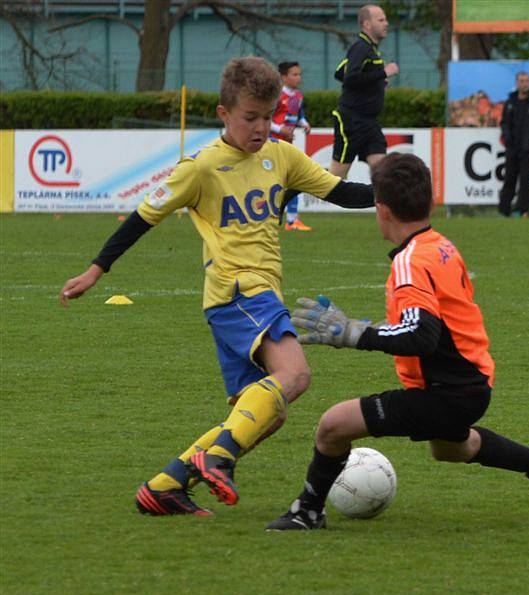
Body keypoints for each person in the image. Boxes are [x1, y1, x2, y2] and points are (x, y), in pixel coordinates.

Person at [59, 56, 374, 517]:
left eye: (268, 116)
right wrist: (95, 270)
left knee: (267, 415)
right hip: (238, 292)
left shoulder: (281, 156)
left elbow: (340, 192)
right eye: (250, 117)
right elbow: (144, 218)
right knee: (296, 375)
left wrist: (391, 190)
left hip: (248, 299)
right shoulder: (202, 166)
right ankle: (219, 456)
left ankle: (165, 486)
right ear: (224, 114)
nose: (261, 127)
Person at [266, 153, 529, 531]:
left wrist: (354, 334)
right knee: (451, 448)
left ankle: (307, 511)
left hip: (445, 392)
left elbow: (420, 335)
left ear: (381, 209)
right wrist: (366, 327)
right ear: (430, 202)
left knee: (332, 426)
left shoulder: (410, 262)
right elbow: (434, 325)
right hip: (470, 382)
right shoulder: (440, 244)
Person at [330, 4, 399, 179]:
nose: (386, 23)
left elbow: (340, 73)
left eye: (386, 19)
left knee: (383, 175)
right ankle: (293, 189)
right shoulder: (360, 48)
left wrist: (377, 82)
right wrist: (384, 72)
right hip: (352, 120)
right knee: (334, 180)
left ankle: (386, 206)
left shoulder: (370, 49)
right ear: (367, 24)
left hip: (369, 122)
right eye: (381, 20)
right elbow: (350, 78)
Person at [499, 71, 529, 217]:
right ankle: (504, 210)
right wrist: (506, 135)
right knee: (509, 179)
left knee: (526, 180)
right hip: (512, 148)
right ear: (516, 83)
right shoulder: (510, 103)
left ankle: (521, 210)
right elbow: (504, 123)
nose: (524, 83)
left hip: (528, 148)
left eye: (526, 81)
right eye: (521, 81)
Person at [271, 60, 313, 232]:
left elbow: (299, 115)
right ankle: (285, 218)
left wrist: (305, 123)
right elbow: (266, 119)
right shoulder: (277, 97)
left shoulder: (298, 96)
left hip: (288, 143)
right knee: (280, 180)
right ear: (283, 77)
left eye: (299, 74)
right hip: (274, 142)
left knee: (293, 177)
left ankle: (292, 219)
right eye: (294, 74)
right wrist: (280, 129)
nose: (299, 78)